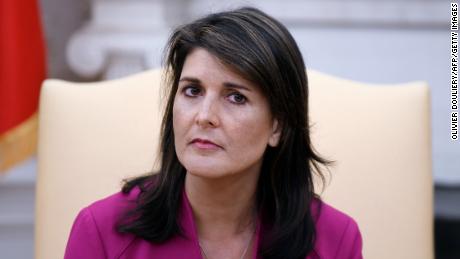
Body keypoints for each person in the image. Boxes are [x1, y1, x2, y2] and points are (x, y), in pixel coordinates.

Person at [64, 7, 362, 259]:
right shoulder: (101, 231)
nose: (204, 116)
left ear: (278, 125)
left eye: (236, 97)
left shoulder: (335, 241)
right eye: (192, 90)